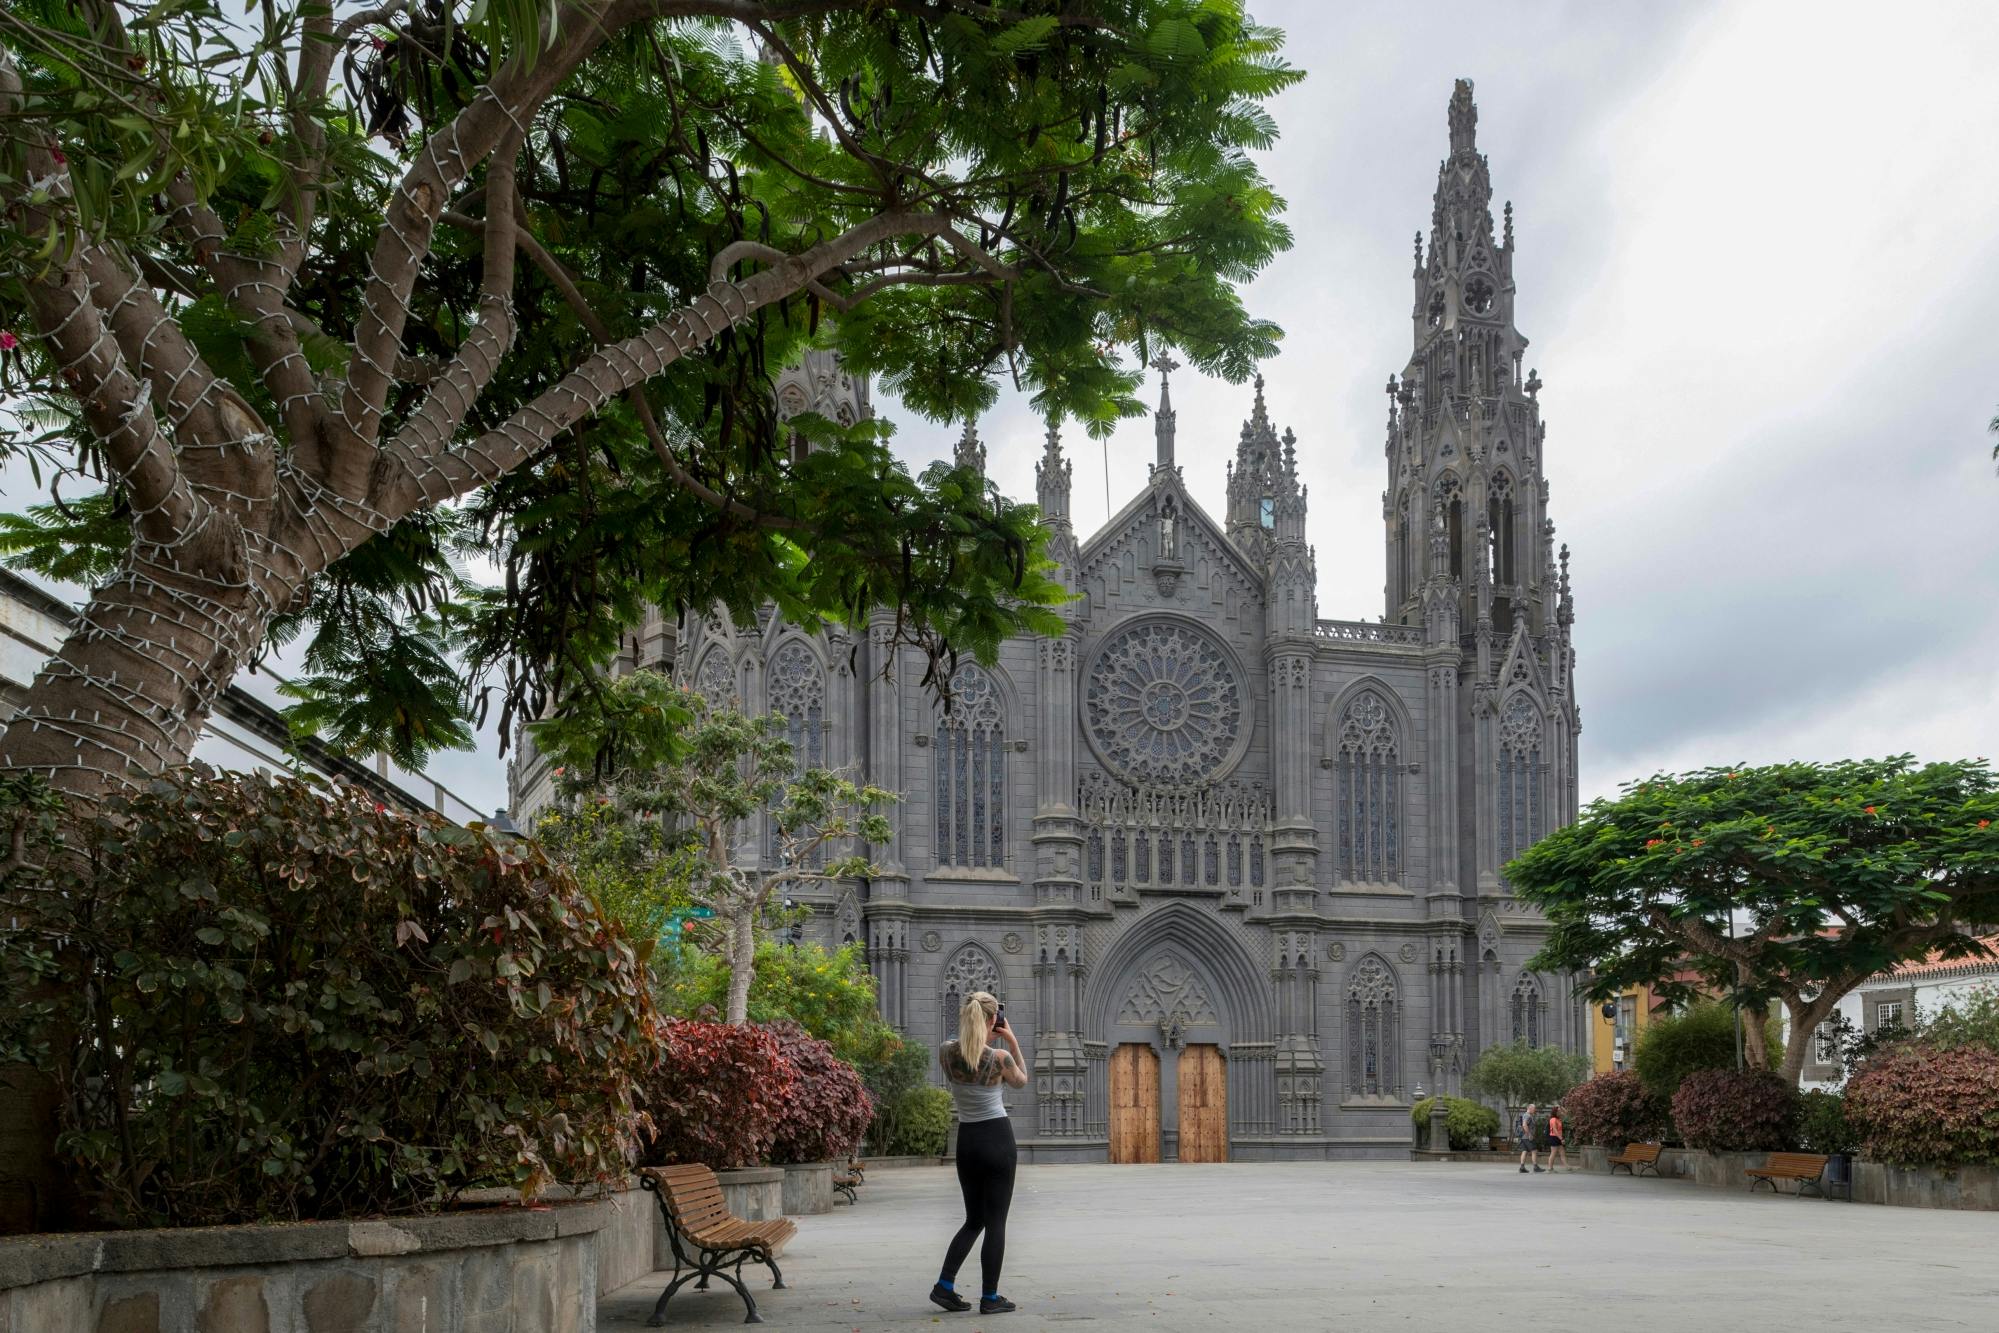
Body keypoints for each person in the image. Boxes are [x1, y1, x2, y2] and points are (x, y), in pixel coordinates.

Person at [931, 991, 1029, 1315]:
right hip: (997, 1141)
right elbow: (1022, 1082)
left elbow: (963, 1049)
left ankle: (944, 1286)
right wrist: (1012, 1040)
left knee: (974, 1220)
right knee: (996, 1222)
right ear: (992, 1020)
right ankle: (990, 1297)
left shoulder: (946, 1052)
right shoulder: (999, 1059)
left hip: (967, 1141)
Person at [1516, 1101, 1543, 1173]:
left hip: (1524, 1137)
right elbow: (1524, 1125)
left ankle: (1522, 1167)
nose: (1535, 1110)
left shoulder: (1526, 1115)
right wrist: (1529, 1135)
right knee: (1534, 1151)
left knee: (1524, 1151)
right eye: (1534, 1108)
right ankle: (1535, 1167)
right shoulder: (1528, 1115)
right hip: (1528, 1137)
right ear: (1529, 1108)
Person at [1546, 1104, 1570, 1172]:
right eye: (1558, 1111)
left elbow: (1567, 1113)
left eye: (1560, 1111)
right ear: (1555, 1112)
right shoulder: (1553, 1119)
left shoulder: (1558, 1119)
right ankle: (1550, 1168)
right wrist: (1561, 1138)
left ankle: (1567, 1167)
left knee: (1562, 1153)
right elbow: (1555, 1130)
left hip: (1558, 1137)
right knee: (1553, 1153)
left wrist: (1561, 1107)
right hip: (1554, 1137)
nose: (1560, 1112)